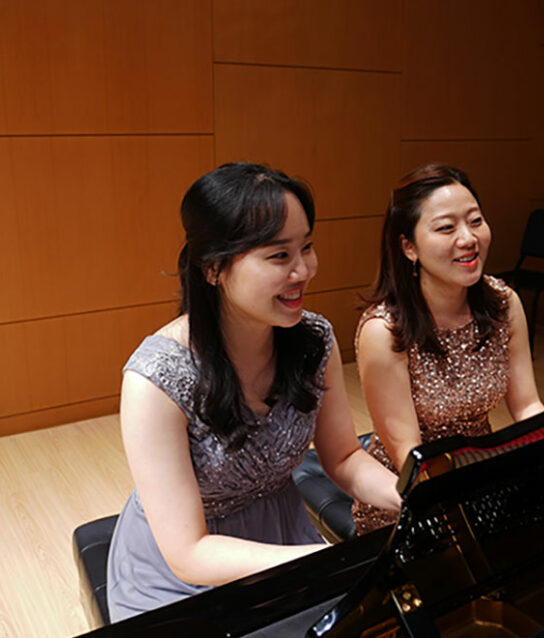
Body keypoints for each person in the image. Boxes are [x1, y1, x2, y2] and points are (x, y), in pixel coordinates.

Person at [106, 163, 402, 621]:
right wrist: (321, 560)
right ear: (213, 268)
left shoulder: (313, 339)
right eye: (279, 256)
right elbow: (189, 551)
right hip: (182, 574)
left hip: (279, 534)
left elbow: (342, 457)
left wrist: (410, 493)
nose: (304, 269)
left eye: (306, 247)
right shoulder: (156, 378)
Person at [351, 164, 544, 535]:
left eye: (475, 221)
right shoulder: (385, 330)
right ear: (409, 247)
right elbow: (408, 452)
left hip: (479, 475)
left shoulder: (505, 304)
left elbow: (526, 406)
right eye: (446, 228)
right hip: (406, 499)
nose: (468, 238)